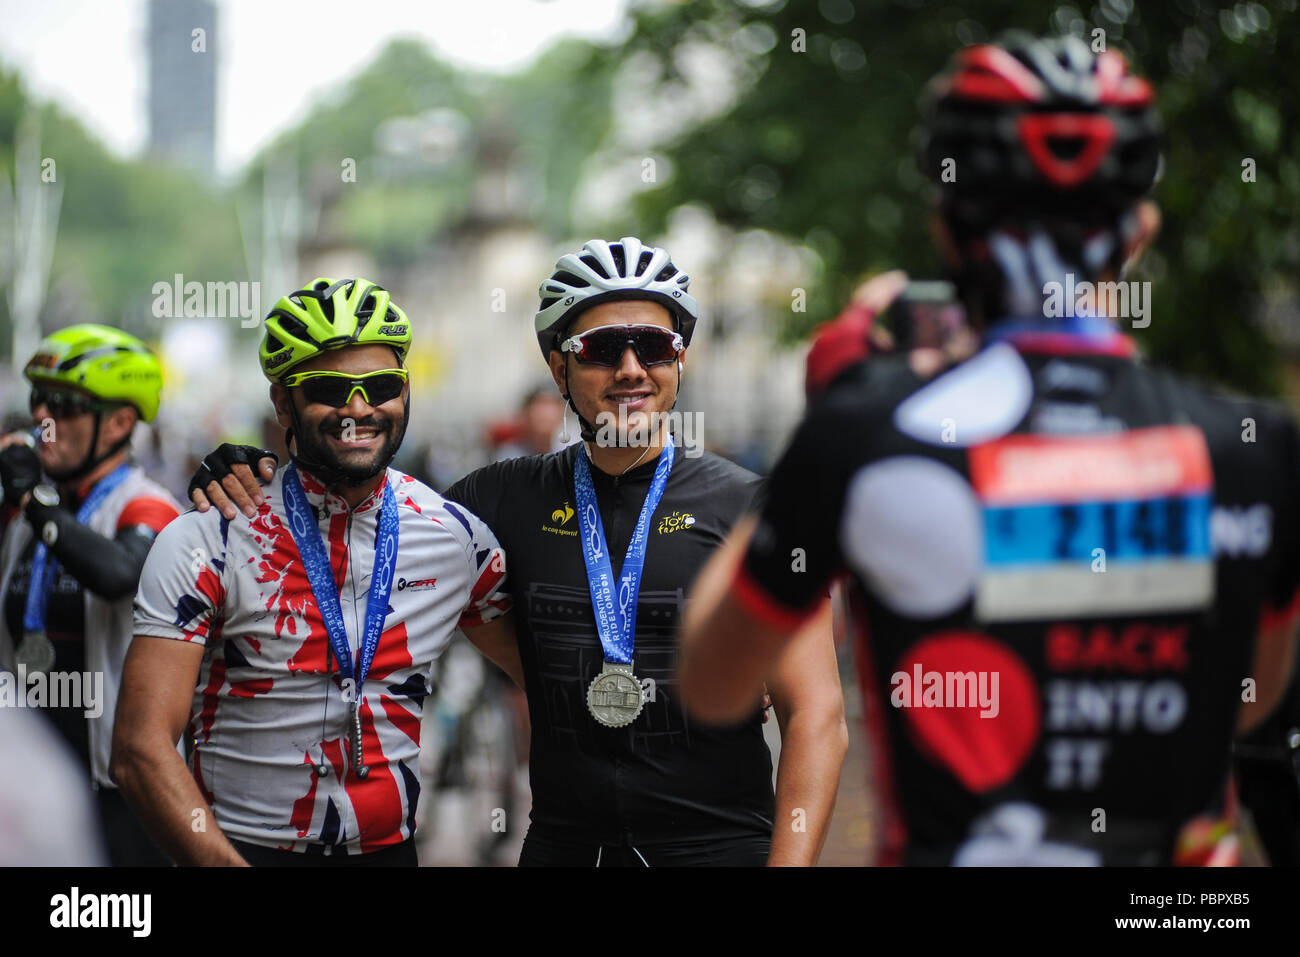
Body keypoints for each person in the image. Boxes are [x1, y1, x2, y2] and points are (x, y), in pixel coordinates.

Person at [678, 33, 1300, 866]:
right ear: (1140, 228)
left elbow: (713, 683)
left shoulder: (869, 434)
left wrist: (835, 415)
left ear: (944, 221)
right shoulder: (1251, 453)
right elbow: (1251, 704)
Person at [191, 238, 849, 866]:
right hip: (564, 849)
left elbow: (816, 716)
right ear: (559, 364)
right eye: (600, 349)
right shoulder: (496, 500)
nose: (628, 369)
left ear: (680, 360)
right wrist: (248, 466)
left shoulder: (751, 506)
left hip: (719, 849)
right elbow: (359, 497)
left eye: (651, 345)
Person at [112, 277, 516, 866]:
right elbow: (139, 749)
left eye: (379, 387)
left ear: (404, 391)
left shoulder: (457, 540)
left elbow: (549, 688)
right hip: (244, 851)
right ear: (283, 404)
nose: (359, 409)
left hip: (393, 851)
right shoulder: (209, 537)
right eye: (330, 388)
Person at [0, 323, 180, 866]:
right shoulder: (25, 511)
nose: (41, 418)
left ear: (120, 422)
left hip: (119, 792)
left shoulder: (144, 504)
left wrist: (33, 499)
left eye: (64, 405)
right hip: (29, 780)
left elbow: (117, 572)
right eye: (38, 400)